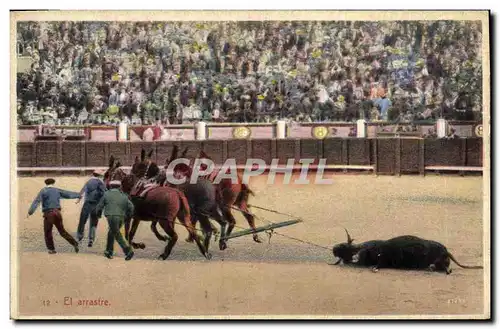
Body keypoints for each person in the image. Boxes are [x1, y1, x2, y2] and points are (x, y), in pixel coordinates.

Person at [27, 178, 80, 254]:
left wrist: (30, 212)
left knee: (48, 232)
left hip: (49, 214)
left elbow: (37, 201)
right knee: (62, 231)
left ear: (46, 184)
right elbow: (68, 194)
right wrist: (78, 195)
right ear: (53, 183)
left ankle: (51, 249)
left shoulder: (43, 191)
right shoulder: (57, 190)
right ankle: (74, 243)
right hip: (57, 213)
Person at [94, 180, 135, 260]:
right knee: (111, 232)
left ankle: (128, 250)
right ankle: (108, 251)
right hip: (121, 217)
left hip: (111, 216)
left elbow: (99, 207)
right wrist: (128, 216)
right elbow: (131, 207)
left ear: (110, 186)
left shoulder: (106, 194)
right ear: (120, 187)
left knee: (116, 233)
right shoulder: (124, 195)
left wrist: (98, 214)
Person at [76, 169, 107, 247]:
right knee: (93, 222)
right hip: (96, 204)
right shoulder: (100, 183)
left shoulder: (88, 181)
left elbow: (82, 191)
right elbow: (104, 193)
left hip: (87, 203)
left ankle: (79, 237)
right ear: (100, 176)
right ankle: (91, 239)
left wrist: (79, 198)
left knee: (82, 220)